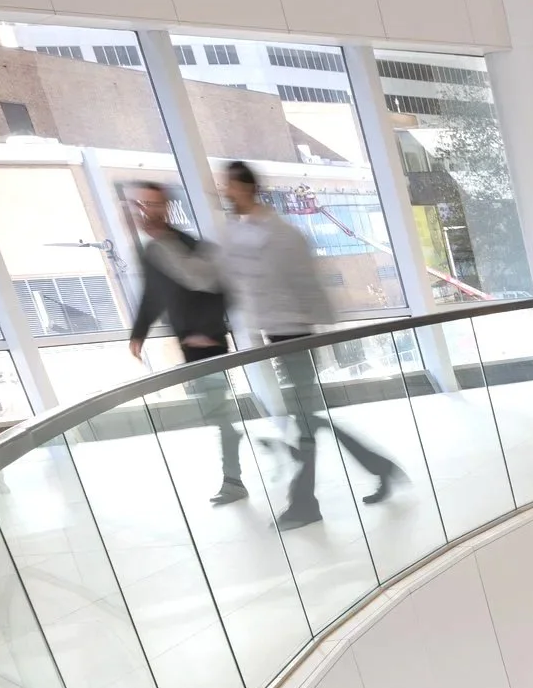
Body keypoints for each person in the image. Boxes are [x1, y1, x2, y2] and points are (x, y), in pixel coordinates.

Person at [215, 160, 404, 530]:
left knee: (305, 423)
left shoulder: (281, 234)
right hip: (275, 335)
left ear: (244, 187)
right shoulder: (242, 233)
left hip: (294, 334)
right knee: (309, 420)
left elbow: (306, 286)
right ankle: (378, 469)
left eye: (229, 187)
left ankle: (305, 504)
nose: (225, 193)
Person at [125, 182, 244, 506]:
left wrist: (207, 331)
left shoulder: (188, 246)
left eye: (153, 203)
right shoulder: (153, 250)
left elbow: (223, 289)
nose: (146, 210)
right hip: (190, 342)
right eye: (142, 203)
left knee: (219, 414)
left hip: (208, 342)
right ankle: (235, 473)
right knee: (216, 413)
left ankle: (234, 479)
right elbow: (152, 296)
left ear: (166, 207)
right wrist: (139, 332)